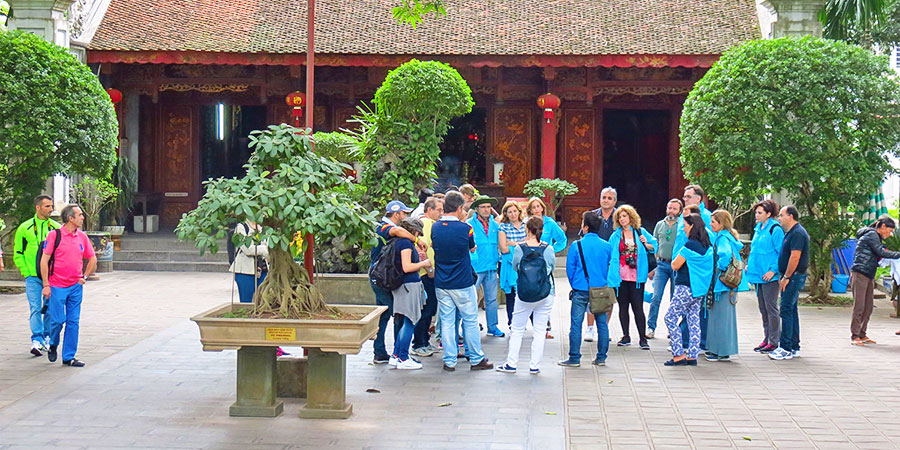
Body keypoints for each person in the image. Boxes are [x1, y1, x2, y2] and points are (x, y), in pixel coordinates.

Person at [431, 191, 493, 371]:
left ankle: (449, 360)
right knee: (470, 320)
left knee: (448, 321)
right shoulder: (466, 228)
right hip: (463, 281)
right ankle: (476, 358)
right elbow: (472, 248)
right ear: (459, 208)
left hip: (442, 281)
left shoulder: (436, 227)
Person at [496, 216, 556, 374]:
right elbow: (551, 268)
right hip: (545, 293)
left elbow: (516, 266)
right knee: (540, 329)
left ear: (527, 230)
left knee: (517, 329)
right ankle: (535, 365)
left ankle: (511, 363)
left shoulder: (520, 248)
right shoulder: (548, 249)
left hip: (524, 292)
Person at [369, 200, 427, 364]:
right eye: (403, 213)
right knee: (399, 314)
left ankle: (381, 351)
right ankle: (399, 353)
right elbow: (397, 231)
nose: (405, 217)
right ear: (396, 214)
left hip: (380, 274)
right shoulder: (386, 228)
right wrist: (417, 241)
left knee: (384, 313)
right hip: (383, 275)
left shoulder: (381, 227)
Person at [40, 204, 96, 367]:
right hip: (57, 285)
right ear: (70, 218)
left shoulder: (82, 237)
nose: (82, 218)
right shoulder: (54, 235)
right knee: (57, 321)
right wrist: (46, 284)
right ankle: (53, 343)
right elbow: (45, 260)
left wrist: (85, 276)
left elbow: (92, 258)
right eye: (79, 215)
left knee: (73, 322)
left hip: (75, 286)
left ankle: (69, 356)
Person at [558, 211, 612, 368]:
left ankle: (574, 357)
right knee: (602, 323)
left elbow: (570, 269)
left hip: (580, 288)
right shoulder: (607, 246)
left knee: (576, 323)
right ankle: (601, 357)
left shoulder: (576, 245)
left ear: (586, 227)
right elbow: (609, 266)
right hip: (600, 288)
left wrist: (575, 283)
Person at [606, 205, 658, 350]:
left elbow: (655, 245)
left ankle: (642, 338)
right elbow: (610, 253)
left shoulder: (640, 232)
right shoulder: (615, 235)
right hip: (621, 276)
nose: (622, 219)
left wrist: (646, 244)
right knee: (623, 307)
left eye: (624, 216)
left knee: (638, 307)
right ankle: (626, 335)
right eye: (620, 217)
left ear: (631, 217)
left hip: (637, 276)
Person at [13, 195, 59, 356]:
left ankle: (47, 336)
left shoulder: (55, 228)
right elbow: (18, 253)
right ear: (38, 207)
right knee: (35, 308)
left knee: (49, 308)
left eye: (51, 206)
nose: (51, 209)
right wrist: (26, 272)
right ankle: (37, 339)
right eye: (47, 206)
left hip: (52, 277)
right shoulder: (24, 228)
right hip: (33, 276)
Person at [664, 213, 713, 366]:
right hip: (699, 290)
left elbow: (675, 264)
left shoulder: (690, 245)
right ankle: (692, 355)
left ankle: (678, 354)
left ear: (692, 226)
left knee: (670, 318)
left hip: (684, 287)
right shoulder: (707, 245)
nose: (683, 228)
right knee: (693, 321)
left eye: (684, 225)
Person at [706, 210, 749, 361]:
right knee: (725, 317)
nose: (710, 224)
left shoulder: (722, 238)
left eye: (713, 222)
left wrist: (719, 268)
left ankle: (720, 351)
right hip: (728, 285)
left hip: (721, 284)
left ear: (721, 223)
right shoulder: (728, 237)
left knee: (719, 318)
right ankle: (722, 349)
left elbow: (724, 255)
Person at [849, 217, 900, 346]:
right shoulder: (872, 234)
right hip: (860, 273)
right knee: (859, 306)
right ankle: (855, 336)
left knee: (868, 306)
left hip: (869, 274)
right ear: (882, 227)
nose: (889, 234)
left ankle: (862, 334)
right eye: (889, 231)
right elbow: (880, 252)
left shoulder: (875, 237)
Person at [390, 218, 432, 369]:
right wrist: (424, 263)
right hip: (409, 285)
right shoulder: (406, 244)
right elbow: (407, 267)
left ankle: (396, 355)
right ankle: (403, 358)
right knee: (410, 321)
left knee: (405, 321)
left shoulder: (397, 242)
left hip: (401, 285)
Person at [769, 206, 810, 361]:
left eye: (781, 215)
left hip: (793, 277)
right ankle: (794, 345)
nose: (779, 218)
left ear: (791, 216)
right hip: (791, 276)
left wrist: (786, 276)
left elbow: (795, 257)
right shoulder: (791, 233)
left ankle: (785, 347)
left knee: (785, 309)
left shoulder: (798, 233)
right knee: (791, 310)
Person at [745, 199, 784, 354]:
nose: (757, 215)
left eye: (760, 213)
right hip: (757, 275)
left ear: (769, 214)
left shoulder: (775, 229)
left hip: (769, 277)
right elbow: (755, 250)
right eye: (756, 212)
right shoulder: (758, 229)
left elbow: (780, 253)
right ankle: (767, 338)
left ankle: (774, 341)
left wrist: (773, 271)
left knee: (771, 308)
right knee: (763, 308)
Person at [467, 195, 504, 337]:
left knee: (492, 299)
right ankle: (471, 327)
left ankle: (493, 327)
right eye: (483, 207)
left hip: (491, 266)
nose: (486, 210)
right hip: (475, 267)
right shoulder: (469, 224)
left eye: (489, 207)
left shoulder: (495, 225)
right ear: (476, 209)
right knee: (472, 299)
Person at [411, 197, 443, 357]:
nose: (441, 213)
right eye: (438, 210)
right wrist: (429, 269)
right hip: (425, 274)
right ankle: (418, 343)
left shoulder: (426, 223)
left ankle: (424, 341)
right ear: (429, 210)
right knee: (426, 309)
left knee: (429, 309)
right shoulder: (427, 224)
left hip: (427, 273)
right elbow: (422, 249)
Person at [647, 198, 682, 339]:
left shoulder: (681, 226)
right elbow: (655, 244)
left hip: (676, 265)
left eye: (674, 208)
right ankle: (651, 327)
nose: (671, 211)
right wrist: (653, 265)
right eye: (669, 208)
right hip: (661, 264)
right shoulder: (659, 225)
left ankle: (672, 327)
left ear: (679, 211)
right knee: (656, 297)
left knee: (675, 298)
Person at [498, 201, 526, 327]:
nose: (513, 214)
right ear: (506, 214)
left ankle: (523, 321)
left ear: (519, 211)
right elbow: (503, 248)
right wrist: (520, 243)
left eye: (515, 211)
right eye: (510, 212)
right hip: (509, 265)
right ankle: (511, 321)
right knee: (511, 295)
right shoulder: (503, 227)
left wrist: (513, 243)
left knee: (524, 293)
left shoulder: (526, 225)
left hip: (524, 264)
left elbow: (529, 243)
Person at [229, 220, 269, 304]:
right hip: (245, 272)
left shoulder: (263, 228)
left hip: (263, 271)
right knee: (246, 303)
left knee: (262, 302)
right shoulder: (241, 227)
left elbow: (270, 250)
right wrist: (264, 249)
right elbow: (248, 249)